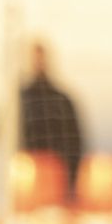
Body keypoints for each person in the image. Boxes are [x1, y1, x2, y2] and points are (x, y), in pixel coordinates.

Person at [20, 41, 84, 197]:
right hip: (22, 177)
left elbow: (74, 141)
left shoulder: (61, 100)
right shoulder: (15, 101)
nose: (38, 64)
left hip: (56, 178)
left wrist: (71, 178)